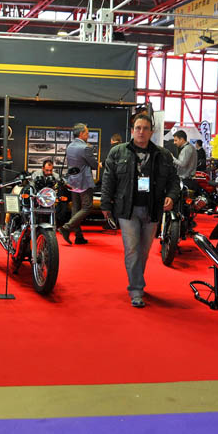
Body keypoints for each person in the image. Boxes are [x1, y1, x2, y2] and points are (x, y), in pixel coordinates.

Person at [100, 113, 180, 308]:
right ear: (132, 130)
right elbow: (108, 180)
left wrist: (171, 195)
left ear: (152, 132)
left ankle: (137, 279)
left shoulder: (163, 155)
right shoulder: (118, 152)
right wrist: (105, 205)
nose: (141, 132)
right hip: (127, 210)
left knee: (143, 251)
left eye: (145, 128)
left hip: (152, 210)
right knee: (132, 249)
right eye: (138, 128)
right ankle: (136, 290)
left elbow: (173, 180)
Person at [58, 123, 98, 245]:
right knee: (87, 207)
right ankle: (66, 227)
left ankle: (78, 236)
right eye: (87, 133)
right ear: (81, 134)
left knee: (76, 208)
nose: (88, 135)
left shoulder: (69, 146)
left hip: (73, 181)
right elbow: (94, 165)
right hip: (84, 181)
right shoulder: (85, 148)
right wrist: (98, 164)